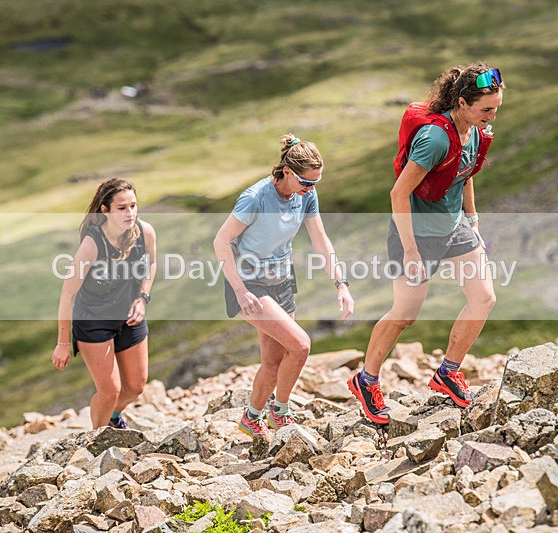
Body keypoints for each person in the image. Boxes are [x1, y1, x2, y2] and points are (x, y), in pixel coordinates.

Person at [348, 63, 504, 424]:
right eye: (486, 109)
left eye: (496, 108)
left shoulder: (476, 132)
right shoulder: (434, 138)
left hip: (455, 229)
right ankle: (365, 380)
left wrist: (474, 221)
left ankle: (447, 372)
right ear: (463, 103)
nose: (493, 116)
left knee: (484, 298)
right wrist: (412, 251)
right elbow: (398, 193)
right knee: (405, 315)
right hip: (415, 235)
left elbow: (464, 175)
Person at [214, 134, 355, 436]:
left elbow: (320, 240)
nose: (310, 189)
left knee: (274, 360)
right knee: (301, 345)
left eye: (316, 183)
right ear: (288, 172)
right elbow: (221, 241)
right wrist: (240, 290)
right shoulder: (256, 198)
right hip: (250, 284)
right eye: (306, 183)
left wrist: (340, 283)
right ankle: (280, 412)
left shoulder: (306, 196)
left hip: (282, 280)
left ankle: (251, 418)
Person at [52, 178, 157, 429]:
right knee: (109, 391)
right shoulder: (92, 244)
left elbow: (151, 264)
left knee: (135, 387)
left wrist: (142, 299)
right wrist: (63, 343)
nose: (130, 213)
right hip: (93, 321)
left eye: (133, 205)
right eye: (121, 208)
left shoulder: (145, 232)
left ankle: (112, 417)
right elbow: (67, 294)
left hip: (129, 316)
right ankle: (97, 440)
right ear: (105, 210)